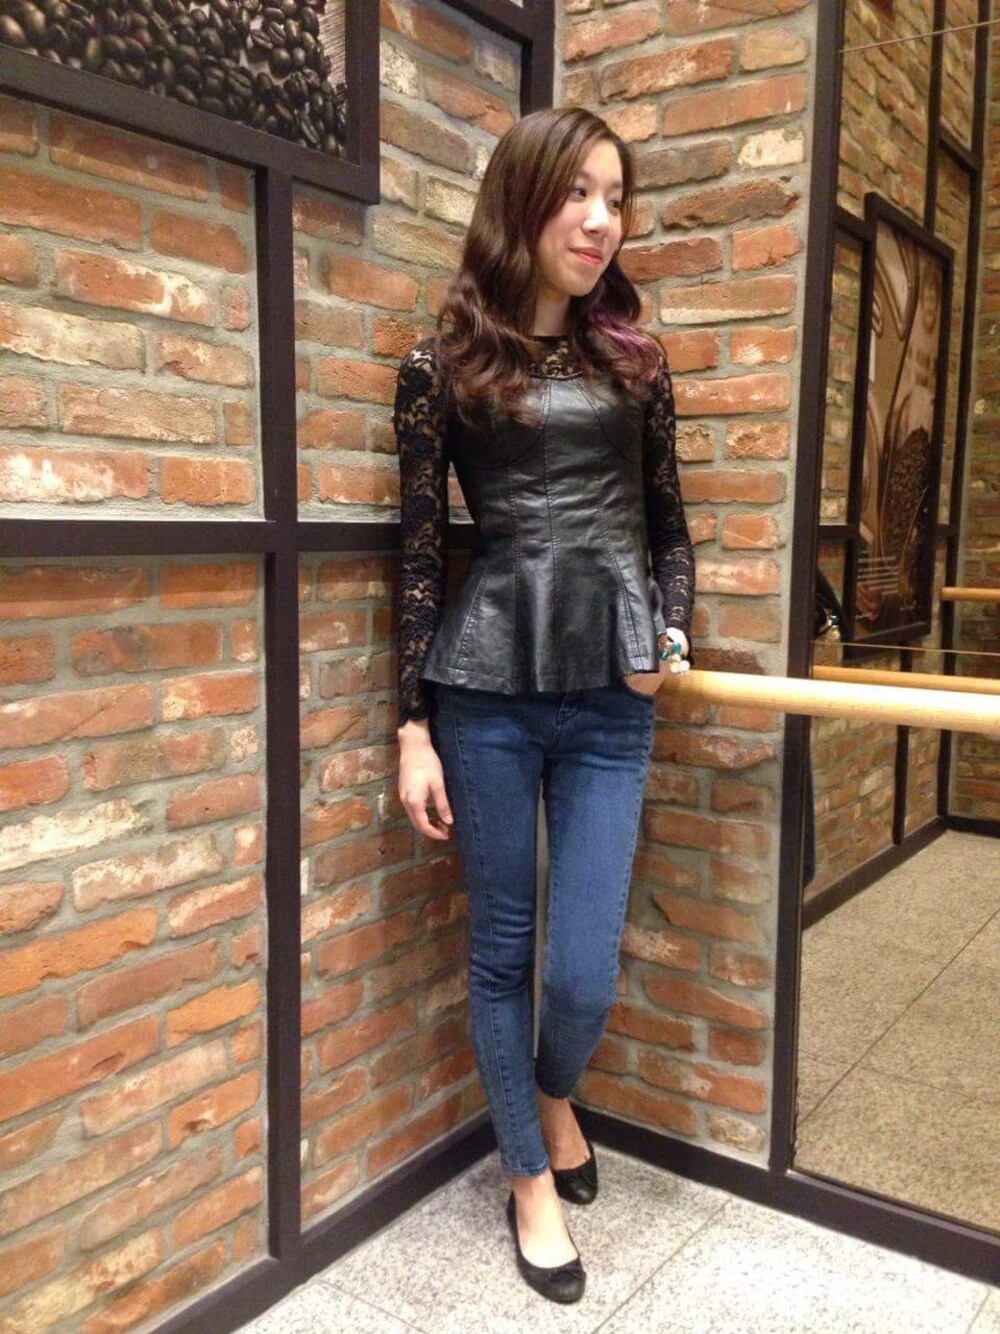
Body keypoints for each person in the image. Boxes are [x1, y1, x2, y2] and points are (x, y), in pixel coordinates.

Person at [392, 106, 695, 1304]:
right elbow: (420, 558)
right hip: (485, 696)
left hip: (611, 699)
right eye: (577, 192)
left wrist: (670, 634)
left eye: (615, 197)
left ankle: (555, 1092)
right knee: (502, 950)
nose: (599, 219)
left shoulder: (637, 364)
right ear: (521, 200)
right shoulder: (439, 367)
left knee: (580, 975)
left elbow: (670, 533)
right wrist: (411, 725)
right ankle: (527, 1175)